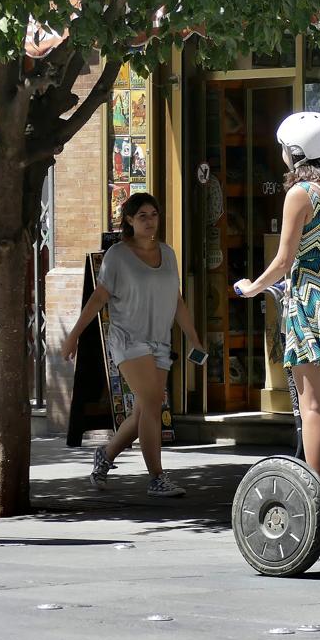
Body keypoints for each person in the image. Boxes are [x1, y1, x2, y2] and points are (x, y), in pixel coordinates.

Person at [233, 112, 320, 511]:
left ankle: (317, 502)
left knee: (313, 408)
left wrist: (252, 287)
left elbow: (283, 260)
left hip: (310, 302)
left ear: (296, 152)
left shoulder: (301, 193)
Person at [62, 193, 201, 497]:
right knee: (153, 404)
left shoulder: (169, 253)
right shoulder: (117, 256)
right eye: (142, 216)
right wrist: (74, 335)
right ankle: (157, 477)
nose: (150, 221)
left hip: (159, 342)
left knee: (142, 412)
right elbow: (99, 298)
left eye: (154, 214)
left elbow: (176, 299)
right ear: (128, 220)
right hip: (128, 340)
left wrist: (193, 338)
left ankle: (105, 456)